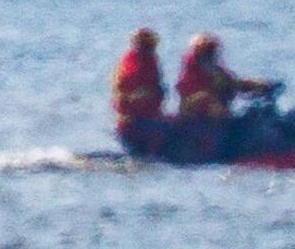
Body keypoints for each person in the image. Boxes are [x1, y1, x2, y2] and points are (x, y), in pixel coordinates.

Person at [172, 33, 274, 161]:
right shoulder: (191, 74)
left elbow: (233, 83)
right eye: (208, 50)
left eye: (212, 50)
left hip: (220, 120)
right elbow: (192, 97)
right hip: (199, 121)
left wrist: (257, 85)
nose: (212, 54)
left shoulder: (216, 70)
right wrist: (212, 103)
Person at [111, 28, 168, 158]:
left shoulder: (152, 61)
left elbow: (157, 88)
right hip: (134, 122)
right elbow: (123, 95)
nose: (150, 48)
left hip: (151, 118)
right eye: (146, 45)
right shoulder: (130, 66)